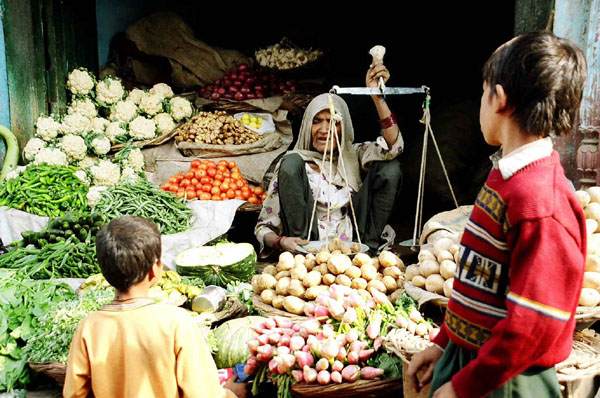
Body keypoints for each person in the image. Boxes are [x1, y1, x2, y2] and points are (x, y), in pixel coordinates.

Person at [407, 31, 588, 398]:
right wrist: (444, 343)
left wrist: (464, 387)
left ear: (499, 99)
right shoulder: (505, 179)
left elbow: (533, 325)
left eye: (483, 90)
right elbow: (479, 284)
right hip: (472, 360)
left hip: (507, 381)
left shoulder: (541, 203)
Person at [63, 216, 247, 398]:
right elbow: (201, 393)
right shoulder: (176, 322)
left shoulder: (88, 327)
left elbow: (74, 394)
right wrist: (230, 393)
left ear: (104, 272)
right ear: (154, 270)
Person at [255, 61, 403, 254]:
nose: (324, 130)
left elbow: (393, 146)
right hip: (309, 248)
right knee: (290, 162)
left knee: (390, 167)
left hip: (355, 242)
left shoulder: (355, 155)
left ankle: (369, 251)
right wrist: (280, 242)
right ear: (307, 126)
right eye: (316, 121)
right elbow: (263, 227)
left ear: (344, 127)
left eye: (333, 121)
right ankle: (304, 250)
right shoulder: (294, 164)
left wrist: (376, 97)